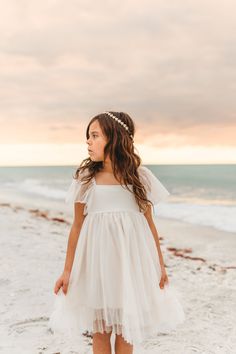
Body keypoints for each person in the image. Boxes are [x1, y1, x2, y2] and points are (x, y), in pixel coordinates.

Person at [48, 111, 185, 354]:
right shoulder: (86, 179)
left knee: (125, 328)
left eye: (95, 135)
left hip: (129, 266)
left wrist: (160, 266)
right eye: (88, 136)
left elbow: (149, 225)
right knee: (100, 330)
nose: (88, 142)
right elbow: (77, 226)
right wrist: (67, 270)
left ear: (115, 137)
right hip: (98, 265)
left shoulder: (140, 178)